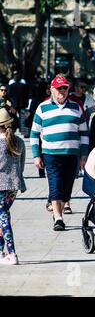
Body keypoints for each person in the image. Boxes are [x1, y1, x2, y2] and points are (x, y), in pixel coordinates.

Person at [30, 75, 89, 231]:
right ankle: (58, 218)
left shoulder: (76, 107)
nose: (62, 91)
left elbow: (84, 133)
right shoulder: (42, 108)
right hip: (51, 154)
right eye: (59, 88)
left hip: (72, 154)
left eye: (65, 88)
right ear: (52, 90)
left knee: (67, 189)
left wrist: (84, 154)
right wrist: (36, 155)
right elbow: (34, 133)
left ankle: (58, 210)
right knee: (55, 186)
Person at [0, 108, 26, 265]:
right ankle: (1, 251)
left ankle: (12, 253)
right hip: (14, 186)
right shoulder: (19, 142)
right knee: (3, 216)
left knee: (2, 216)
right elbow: (21, 166)